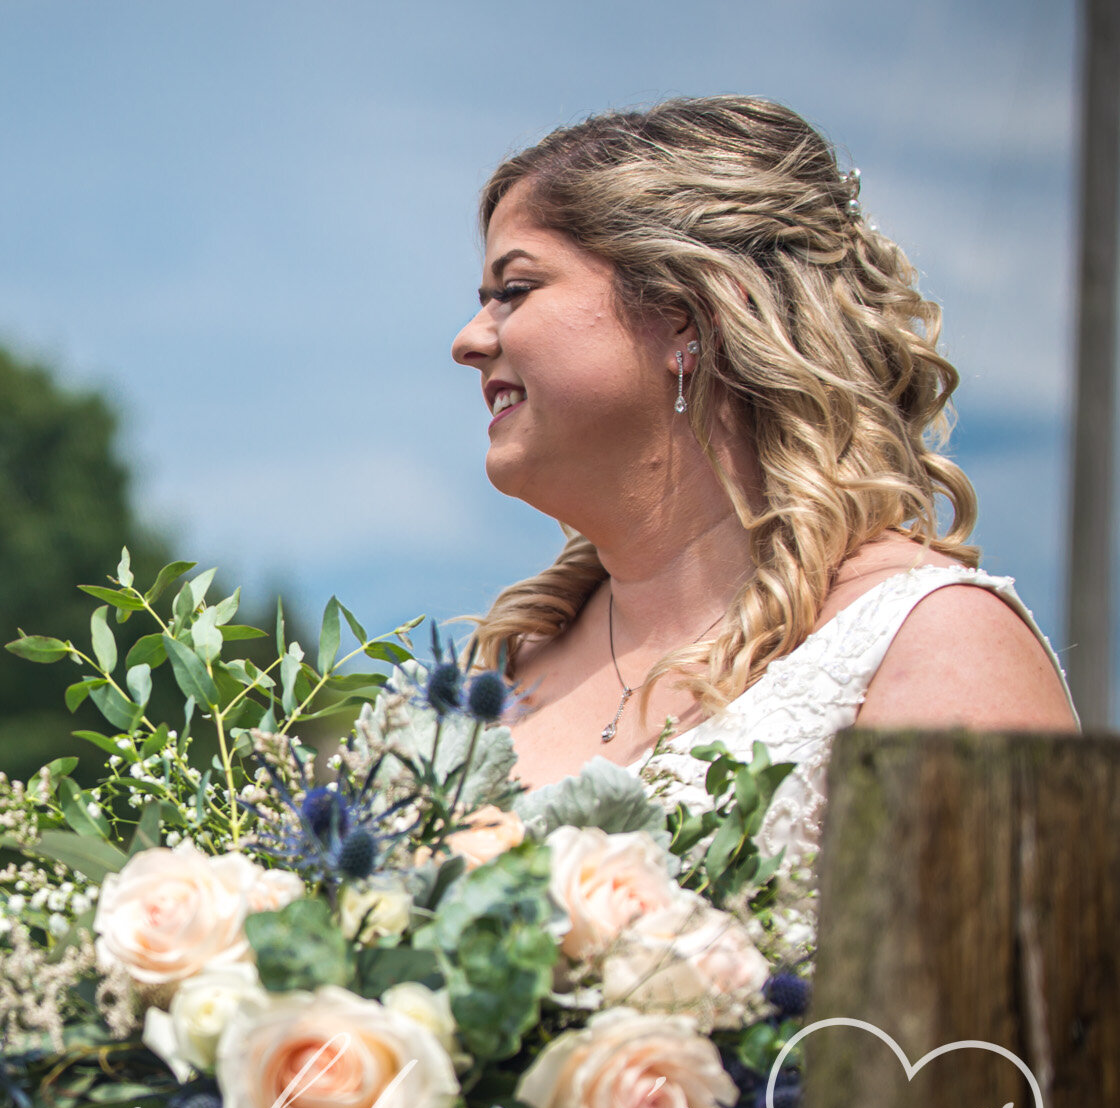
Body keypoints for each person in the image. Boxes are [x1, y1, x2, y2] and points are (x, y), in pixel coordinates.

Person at [450, 96, 1078, 864]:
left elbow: (1001, 982)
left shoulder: (933, 645)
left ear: (685, 315)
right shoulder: (503, 669)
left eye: (513, 290)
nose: (470, 341)